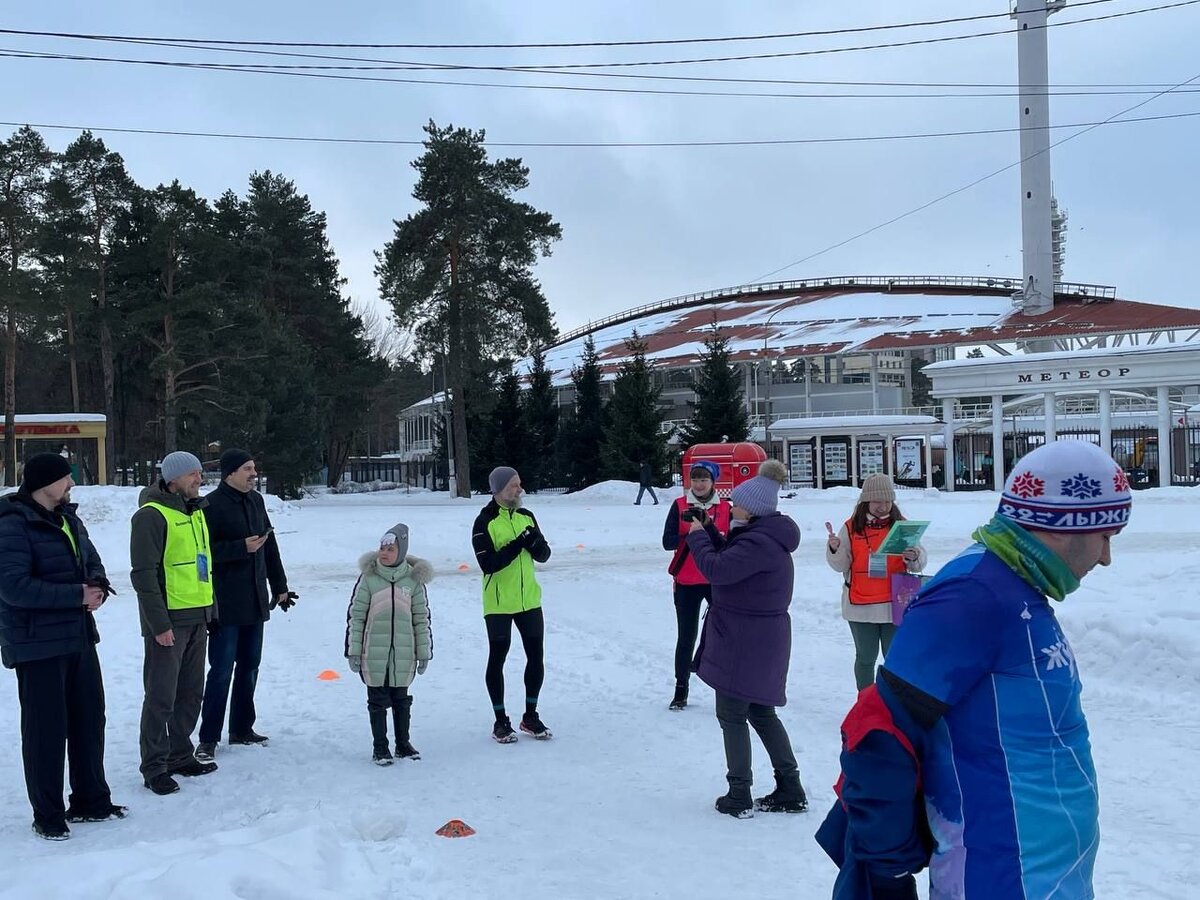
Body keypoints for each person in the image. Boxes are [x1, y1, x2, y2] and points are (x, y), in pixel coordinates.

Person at [817, 441, 1132, 900]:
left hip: (1044, 875)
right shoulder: (973, 595)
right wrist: (886, 874)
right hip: (1001, 877)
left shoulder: (1015, 586)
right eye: (1107, 536)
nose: (1106, 557)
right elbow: (877, 732)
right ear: (1063, 528)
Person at [0, 453, 124, 840]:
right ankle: (48, 814)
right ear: (43, 483)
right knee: (46, 731)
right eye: (65, 479)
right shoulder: (12, 524)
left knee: (90, 720)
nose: (71, 484)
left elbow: (92, 561)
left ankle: (91, 800)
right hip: (37, 644)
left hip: (79, 637)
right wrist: (76, 595)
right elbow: (12, 587)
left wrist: (98, 587)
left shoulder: (70, 518)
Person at [685, 459, 807, 818]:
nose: (731, 507)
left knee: (732, 714)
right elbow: (731, 557)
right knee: (760, 711)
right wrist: (708, 531)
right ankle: (790, 786)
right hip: (759, 636)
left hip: (745, 639)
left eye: (737, 503)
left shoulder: (758, 543)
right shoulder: (764, 537)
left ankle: (739, 793)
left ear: (752, 510)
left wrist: (695, 538)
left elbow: (718, 570)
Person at [196, 449, 295, 763]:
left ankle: (241, 728)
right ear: (230, 473)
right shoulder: (209, 505)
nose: (254, 473)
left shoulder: (256, 501)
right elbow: (203, 554)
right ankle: (208, 737)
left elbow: (270, 546)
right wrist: (240, 548)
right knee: (221, 670)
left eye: (254, 467)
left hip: (255, 599)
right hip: (225, 603)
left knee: (250, 667)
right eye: (248, 468)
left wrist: (279, 587)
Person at [130, 451, 218, 796]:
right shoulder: (151, 516)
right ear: (174, 478)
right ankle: (154, 765)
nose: (200, 479)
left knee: (190, 693)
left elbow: (203, 566)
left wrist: (212, 610)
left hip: (198, 616)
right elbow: (144, 575)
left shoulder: (195, 512)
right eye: (194, 474)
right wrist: (158, 624)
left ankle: (180, 754)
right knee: (161, 696)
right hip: (169, 623)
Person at [471, 466, 553, 743]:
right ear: (498, 490)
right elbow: (488, 564)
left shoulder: (526, 516)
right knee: (498, 657)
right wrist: (518, 544)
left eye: (519, 484)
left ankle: (530, 715)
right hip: (498, 603)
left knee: (536, 656)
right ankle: (500, 720)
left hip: (529, 599)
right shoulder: (485, 521)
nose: (519, 490)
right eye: (513, 486)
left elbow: (544, 555)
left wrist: (534, 543)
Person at [825, 473, 926, 691]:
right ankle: (865, 702)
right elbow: (841, 566)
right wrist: (835, 549)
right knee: (865, 658)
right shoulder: (851, 528)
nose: (883, 506)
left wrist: (914, 557)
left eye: (888, 500)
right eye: (878, 501)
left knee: (895, 660)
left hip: (895, 604)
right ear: (866, 501)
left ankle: (893, 703)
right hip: (860, 607)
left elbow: (919, 563)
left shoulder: (902, 527)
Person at [344, 523, 432, 765]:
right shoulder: (369, 579)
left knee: (401, 700)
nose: (384, 552)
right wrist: (353, 650)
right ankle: (380, 747)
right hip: (372, 654)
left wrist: (423, 653)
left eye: (390, 548)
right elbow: (357, 615)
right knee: (377, 700)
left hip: (403, 655)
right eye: (382, 547)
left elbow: (421, 619)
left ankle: (403, 744)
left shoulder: (413, 582)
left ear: (401, 551)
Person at [660, 459, 731, 710]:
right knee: (686, 636)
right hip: (687, 581)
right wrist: (689, 532)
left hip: (716, 581)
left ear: (713, 482)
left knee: (726, 634)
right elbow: (667, 541)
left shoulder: (725, 508)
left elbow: (732, 544)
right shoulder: (680, 505)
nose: (699, 485)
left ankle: (729, 686)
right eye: (695, 480)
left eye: (704, 480)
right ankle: (681, 689)